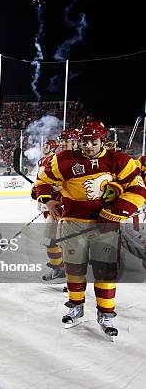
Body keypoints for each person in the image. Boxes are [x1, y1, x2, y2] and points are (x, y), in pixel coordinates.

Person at [36, 121, 145, 340]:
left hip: (105, 226)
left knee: (105, 271)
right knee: (74, 269)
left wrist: (115, 213)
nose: (87, 146)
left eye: (93, 142)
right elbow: (43, 180)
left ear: (102, 141)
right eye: (84, 142)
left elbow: (137, 189)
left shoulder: (119, 161)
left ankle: (106, 313)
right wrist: (47, 201)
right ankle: (76, 306)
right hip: (73, 223)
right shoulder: (63, 160)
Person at [33, 139, 65, 283]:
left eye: (46, 145)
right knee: (50, 238)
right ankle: (58, 267)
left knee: (60, 239)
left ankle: (65, 271)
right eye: (43, 145)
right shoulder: (41, 161)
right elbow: (40, 181)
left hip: (60, 203)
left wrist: (55, 190)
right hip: (48, 203)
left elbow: (63, 183)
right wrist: (37, 190)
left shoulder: (56, 160)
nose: (43, 147)